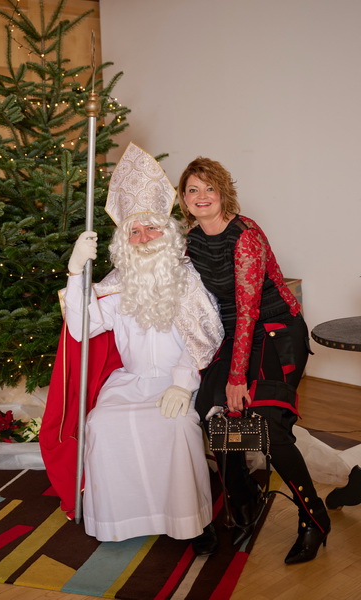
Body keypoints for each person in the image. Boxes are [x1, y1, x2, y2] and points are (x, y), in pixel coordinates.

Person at [40, 143, 224, 555]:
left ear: (167, 231)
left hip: (178, 380)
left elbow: (205, 335)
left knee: (177, 427)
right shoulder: (116, 282)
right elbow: (82, 327)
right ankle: (122, 519)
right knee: (103, 425)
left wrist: (182, 383)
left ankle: (192, 523)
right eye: (134, 232)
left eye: (151, 229)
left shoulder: (187, 279)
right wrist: (75, 271)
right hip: (130, 381)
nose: (143, 238)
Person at [177, 156, 331, 565]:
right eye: (193, 189)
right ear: (184, 198)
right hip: (236, 335)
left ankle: (313, 517)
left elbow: (249, 310)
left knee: (266, 422)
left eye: (209, 188)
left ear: (223, 192)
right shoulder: (191, 239)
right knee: (209, 410)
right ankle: (243, 498)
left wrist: (237, 377)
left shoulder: (244, 235)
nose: (202, 196)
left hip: (276, 330)